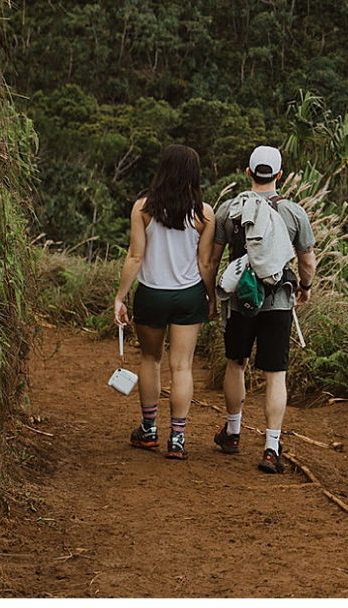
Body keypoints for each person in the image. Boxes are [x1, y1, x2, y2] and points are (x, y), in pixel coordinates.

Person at [203, 144, 316, 473]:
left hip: (240, 302)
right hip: (279, 301)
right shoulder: (294, 212)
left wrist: (210, 296)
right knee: (275, 374)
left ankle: (233, 432)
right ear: (279, 175)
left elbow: (212, 259)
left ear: (248, 172)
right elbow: (307, 260)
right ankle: (270, 447)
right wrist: (305, 288)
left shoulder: (229, 209)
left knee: (236, 364)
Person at [112, 143, 216, 460]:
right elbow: (205, 264)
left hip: (152, 294)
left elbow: (135, 256)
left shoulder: (143, 208)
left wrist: (120, 297)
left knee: (150, 360)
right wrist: (211, 297)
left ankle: (148, 430)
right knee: (181, 366)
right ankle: (178, 439)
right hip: (188, 295)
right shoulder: (204, 213)